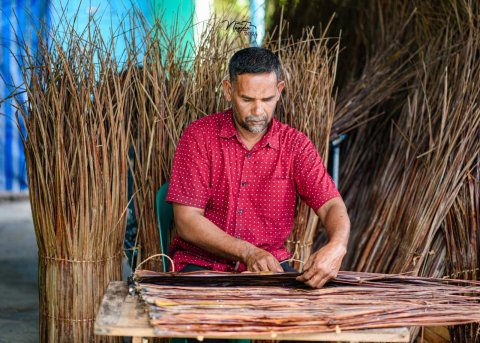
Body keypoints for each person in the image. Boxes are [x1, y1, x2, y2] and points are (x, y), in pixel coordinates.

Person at [166, 47, 350, 288]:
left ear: (279, 91)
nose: (258, 111)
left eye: (267, 99)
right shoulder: (199, 137)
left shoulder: (295, 145)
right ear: (228, 90)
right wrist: (248, 253)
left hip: (271, 268)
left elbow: (331, 205)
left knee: (301, 318)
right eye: (247, 99)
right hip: (202, 266)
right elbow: (187, 221)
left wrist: (338, 244)